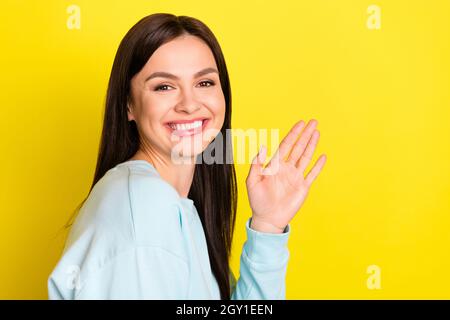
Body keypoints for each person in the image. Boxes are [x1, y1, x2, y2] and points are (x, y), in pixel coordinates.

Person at [47, 13, 327, 300]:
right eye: (164, 87)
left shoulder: (173, 203)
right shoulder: (144, 208)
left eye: (204, 83)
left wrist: (267, 226)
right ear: (128, 105)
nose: (190, 104)